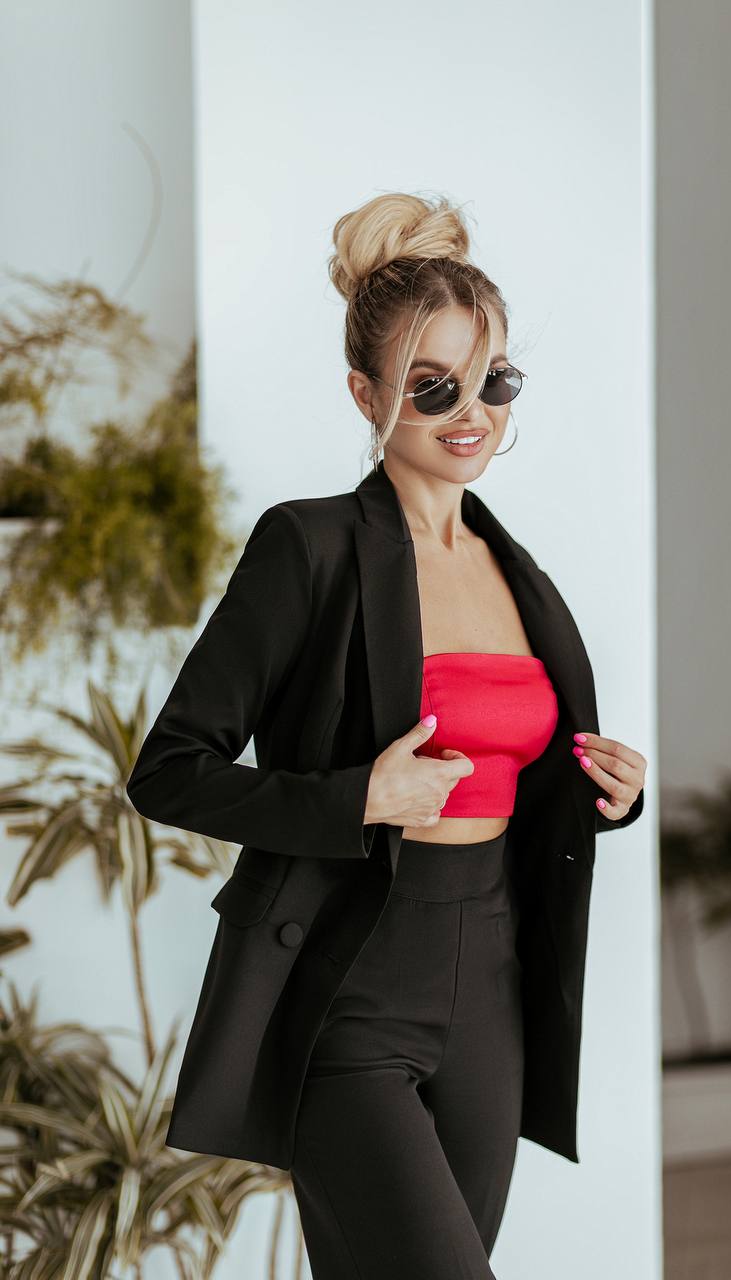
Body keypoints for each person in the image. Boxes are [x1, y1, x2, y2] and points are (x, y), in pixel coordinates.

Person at [126, 190, 646, 1280]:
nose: (472, 411)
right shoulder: (308, 549)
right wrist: (357, 796)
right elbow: (168, 769)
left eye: (492, 380)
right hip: (352, 987)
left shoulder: (518, 572)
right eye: (432, 385)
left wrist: (610, 788)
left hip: (494, 988)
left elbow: (525, 768)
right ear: (365, 393)